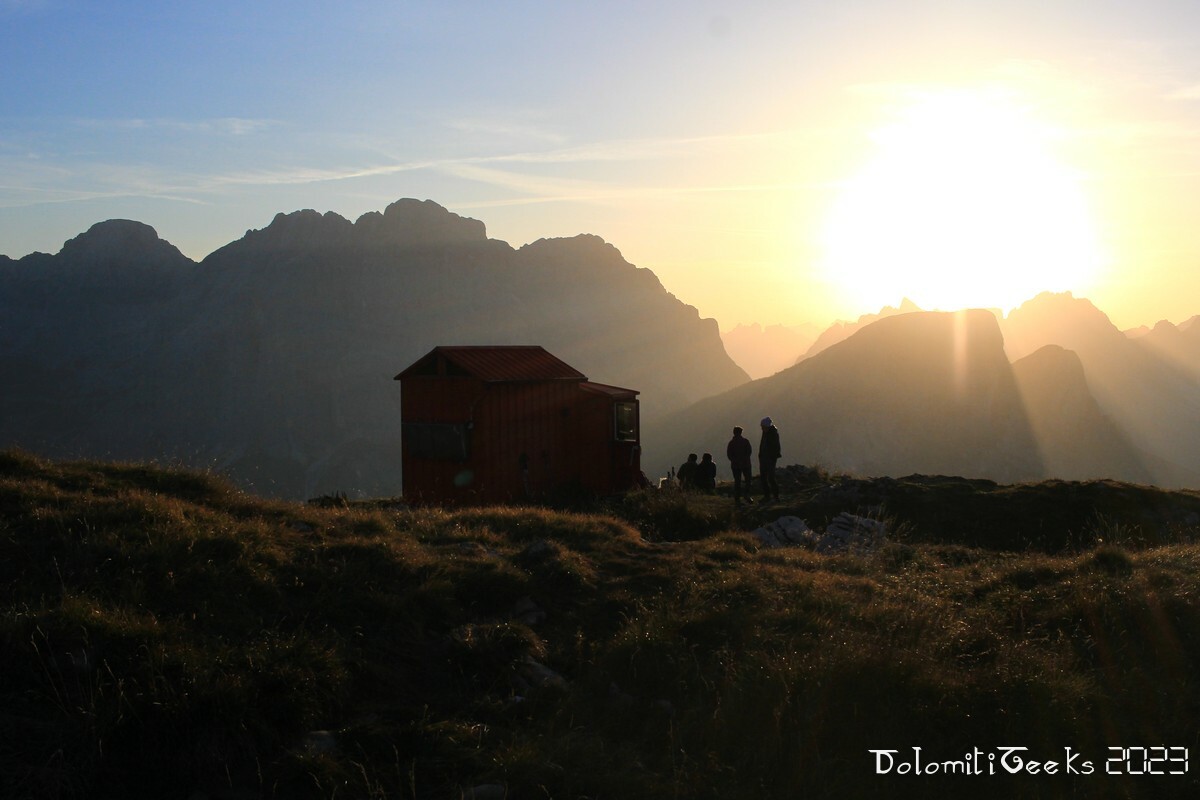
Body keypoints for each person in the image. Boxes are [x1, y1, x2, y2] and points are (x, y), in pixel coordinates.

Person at [726, 426, 753, 505]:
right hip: (746, 464)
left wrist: (736, 461)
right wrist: (743, 460)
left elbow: (729, 455)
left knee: (737, 482)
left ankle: (737, 498)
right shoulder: (745, 441)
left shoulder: (731, 443)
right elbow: (749, 452)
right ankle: (746, 495)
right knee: (748, 480)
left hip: (735, 465)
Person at [759, 416, 781, 502]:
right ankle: (768, 496)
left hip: (770, 459)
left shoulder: (773, 434)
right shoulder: (766, 433)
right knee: (764, 478)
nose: (762, 428)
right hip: (765, 458)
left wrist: (772, 457)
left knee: (770, 478)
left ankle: (775, 496)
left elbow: (775, 447)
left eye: (763, 427)